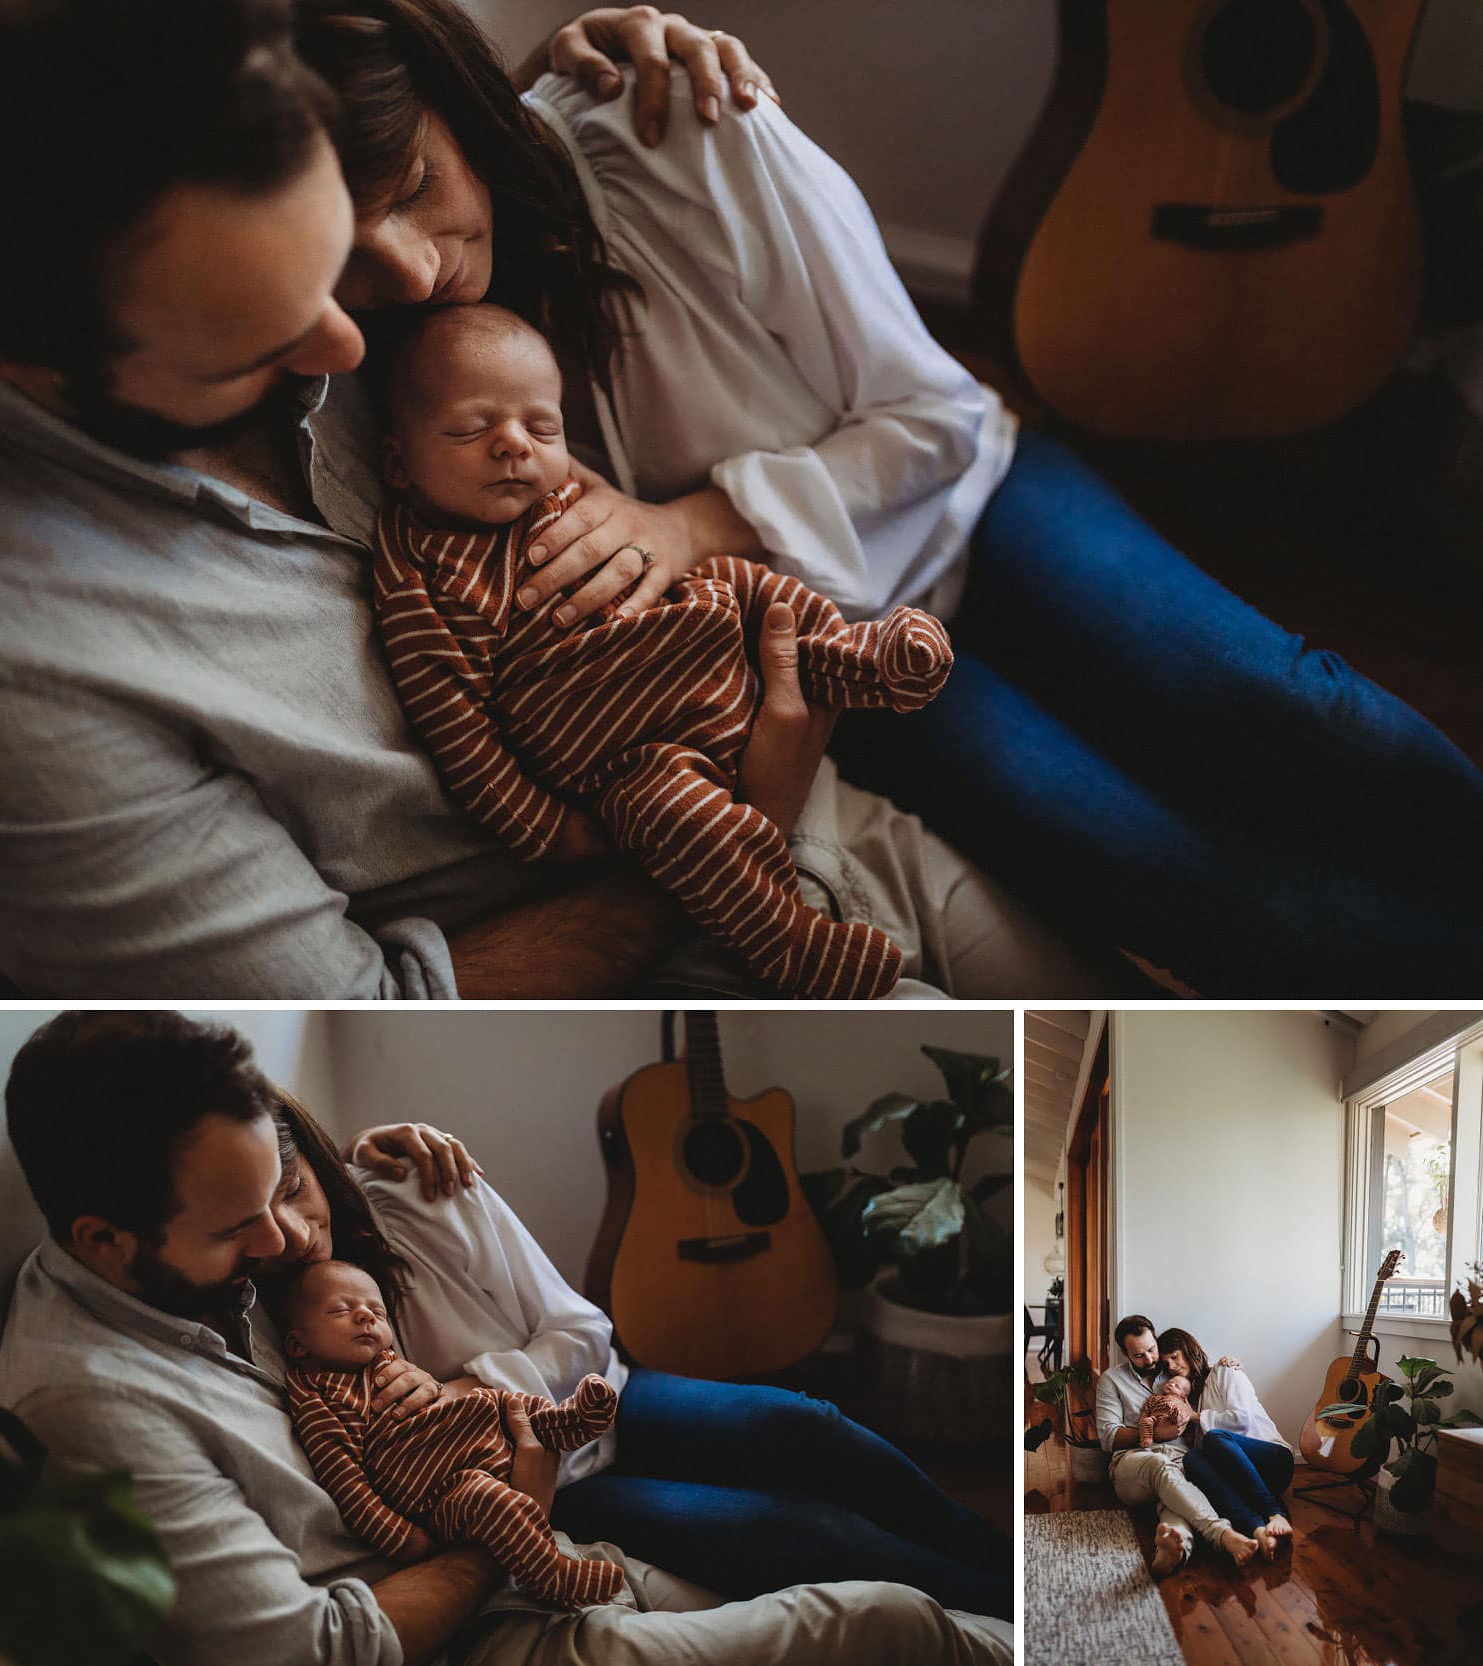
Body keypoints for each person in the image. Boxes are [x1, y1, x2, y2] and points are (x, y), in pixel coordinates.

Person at [294, 0, 1483, 994]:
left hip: (977, 503)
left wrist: (693, 523)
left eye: (411, 186)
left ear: (458, 100)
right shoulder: (353, 362)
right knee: (1185, 885)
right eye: (345, 248)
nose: (405, 272)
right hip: (828, 665)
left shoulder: (675, 129)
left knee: (1294, 708)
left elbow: (934, 418)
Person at [0, 0, 1117, 1000]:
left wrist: (537, 100)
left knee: (1104, 963)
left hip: (835, 739)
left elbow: (461, 183)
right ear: (28, 368)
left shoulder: (314, 238)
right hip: (682, 914)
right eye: (262, 342)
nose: (355, 337)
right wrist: (737, 831)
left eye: (327, 263)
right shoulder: (32, 681)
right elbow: (370, 1013)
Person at [0, 1011, 1013, 1666]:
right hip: (489, 1606)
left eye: (283, 1195)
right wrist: (512, 1512)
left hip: (542, 1496)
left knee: (810, 1434)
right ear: (102, 1239)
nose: (280, 1247)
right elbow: (318, 1661)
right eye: (233, 1230)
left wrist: (490, 1406)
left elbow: (579, 1332)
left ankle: (1014, 1583)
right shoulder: (97, 1402)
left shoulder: (216, 1258)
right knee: (860, 1598)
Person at [375, 303, 953, 997]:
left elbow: (662, 554)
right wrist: (548, 829)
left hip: (705, 638)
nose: (514, 445)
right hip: (640, 757)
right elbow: (455, 725)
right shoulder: (419, 577)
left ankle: (863, 658)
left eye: (542, 426)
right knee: (676, 827)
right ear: (398, 463)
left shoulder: (565, 492)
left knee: (752, 590)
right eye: (471, 428)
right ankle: (787, 939)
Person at [283, 1259, 625, 1604]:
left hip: (474, 1436)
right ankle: (549, 1572)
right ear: (298, 1345)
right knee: (492, 1501)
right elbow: (344, 1481)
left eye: (378, 1312)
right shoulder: (318, 1398)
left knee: (504, 1402)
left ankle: (571, 1422)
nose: (366, 1316)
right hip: (445, 1491)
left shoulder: (384, 1361)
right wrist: (402, 1538)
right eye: (341, 1310)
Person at [1094, 1314, 1259, 1573]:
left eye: (1151, 1350)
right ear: (1124, 1353)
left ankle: (1172, 1553)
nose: (1149, 1360)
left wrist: (1229, 1363)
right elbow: (1108, 1437)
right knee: (1161, 1466)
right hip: (1134, 1464)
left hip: (1180, 1461)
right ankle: (1222, 1534)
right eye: (1138, 1355)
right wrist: (1155, 1434)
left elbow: (1206, 1369)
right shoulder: (1111, 1380)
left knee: (1175, 1497)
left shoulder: (1176, 1371)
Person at [1157, 1327, 1296, 1564]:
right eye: (1166, 1362)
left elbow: (1242, 1420)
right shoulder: (1193, 1400)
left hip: (1274, 1459)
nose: (1171, 1366)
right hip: (1246, 1478)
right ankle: (1257, 1530)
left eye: (1174, 1357)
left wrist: (1196, 1417)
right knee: (1192, 1460)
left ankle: (1276, 1512)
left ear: (1189, 1350)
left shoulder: (1224, 1371)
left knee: (1214, 1439)